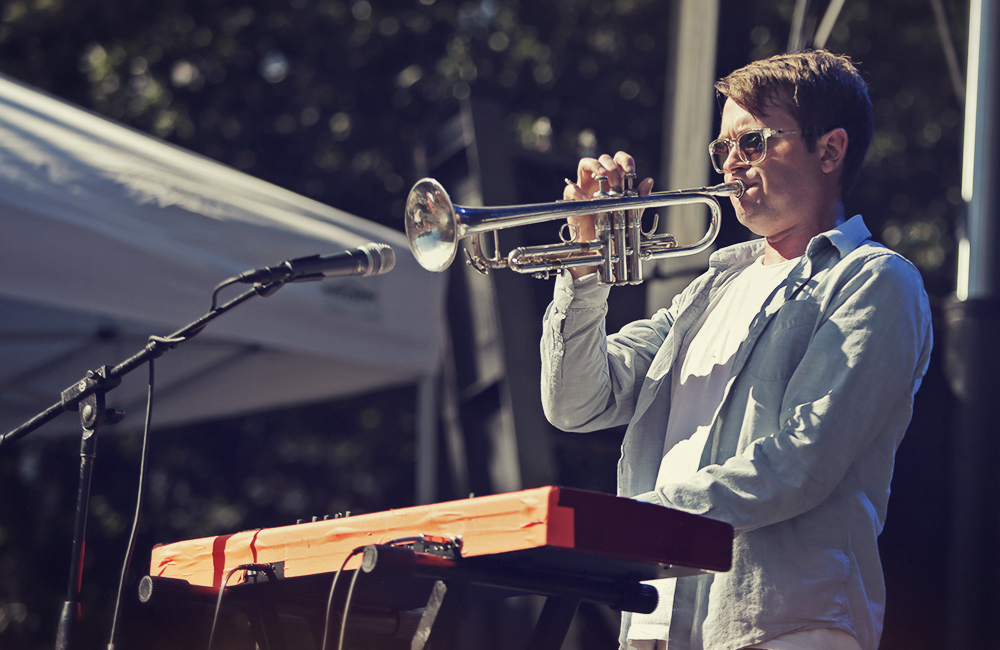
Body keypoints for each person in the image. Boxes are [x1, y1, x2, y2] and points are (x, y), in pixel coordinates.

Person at [540, 50, 933, 650]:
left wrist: (635, 523)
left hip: (781, 624)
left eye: (751, 144)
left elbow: (800, 460)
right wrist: (586, 261)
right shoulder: (708, 290)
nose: (730, 166)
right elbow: (576, 403)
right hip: (653, 616)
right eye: (721, 150)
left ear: (829, 151)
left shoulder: (873, 280)